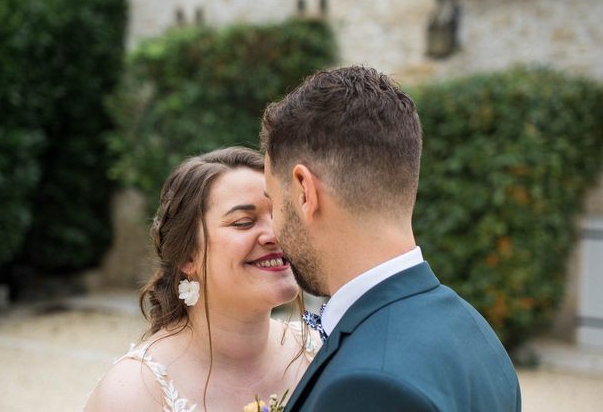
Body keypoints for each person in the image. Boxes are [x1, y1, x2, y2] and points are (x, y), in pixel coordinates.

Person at [260, 65, 521, 411]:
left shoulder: (369, 385)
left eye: (273, 202)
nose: (273, 230)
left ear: (305, 191)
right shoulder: (475, 331)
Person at [84, 147, 320, 412]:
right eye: (243, 222)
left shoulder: (320, 350)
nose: (275, 234)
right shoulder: (133, 392)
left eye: (280, 214)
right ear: (188, 257)